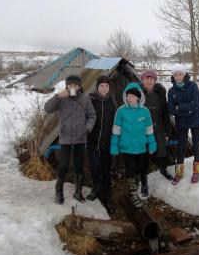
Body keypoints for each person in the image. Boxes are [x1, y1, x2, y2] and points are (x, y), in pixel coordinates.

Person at [44, 75, 96, 204]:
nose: (73, 87)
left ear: (79, 86)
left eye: (75, 85)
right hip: (65, 137)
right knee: (63, 166)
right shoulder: (61, 98)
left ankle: (78, 192)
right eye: (70, 85)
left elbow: (92, 115)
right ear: (67, 86)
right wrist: (57, 96)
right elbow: (47, 108)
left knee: (79, 166)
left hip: (80, 137)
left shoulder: (85, 99)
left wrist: (87, 128)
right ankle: (59, 192)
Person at [110, 82, 157, 208]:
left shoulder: (145, 111)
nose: (130, 98)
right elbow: (116, 130)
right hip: (127, 147)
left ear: (138, 97)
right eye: (128, 95)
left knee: (138, 170)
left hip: (141, 147)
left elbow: (149, 130)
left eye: (132, 96)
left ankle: (133, 190)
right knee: (130, 170)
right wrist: (114, 145)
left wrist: (152, 144)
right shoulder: (121, 111)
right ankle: (133, 194)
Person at [168, 64, 199, 185]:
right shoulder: (171, 91)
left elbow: (196, 103)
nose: (178, 77)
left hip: (196, 119)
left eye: (180, 74)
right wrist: (185, 108)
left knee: (196, 144)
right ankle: (179, 173)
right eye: (175, 74)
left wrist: (180, 107)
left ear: (184, 75)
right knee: (181, 146)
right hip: (182, 121)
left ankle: (197, 171)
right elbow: (171, 110)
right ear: (173, 76)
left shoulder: (193, 86)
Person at [140, 70, 173, 197]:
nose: (149, 81)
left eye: (151, 79)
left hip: (158, 127)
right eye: (146, 79)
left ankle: (163, 169)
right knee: (143, 155)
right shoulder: (138, 95)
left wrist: (166, 131)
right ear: (142, 81)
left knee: (161, 150)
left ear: (154, 81)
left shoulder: (160, 94)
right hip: (143, 129)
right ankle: (144, 182)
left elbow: (165, 114)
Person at [86, 75, 117, 214]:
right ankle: (95, 188)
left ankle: (107, 194)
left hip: (107, 142)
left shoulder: (112, 102)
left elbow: (116, 122)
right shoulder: (91, 100)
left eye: (106, 86)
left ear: (109, 88)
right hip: (92, 141)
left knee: (106, 169)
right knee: (94, 167)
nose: (104, 88)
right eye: (101, 86)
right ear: (97, 87)